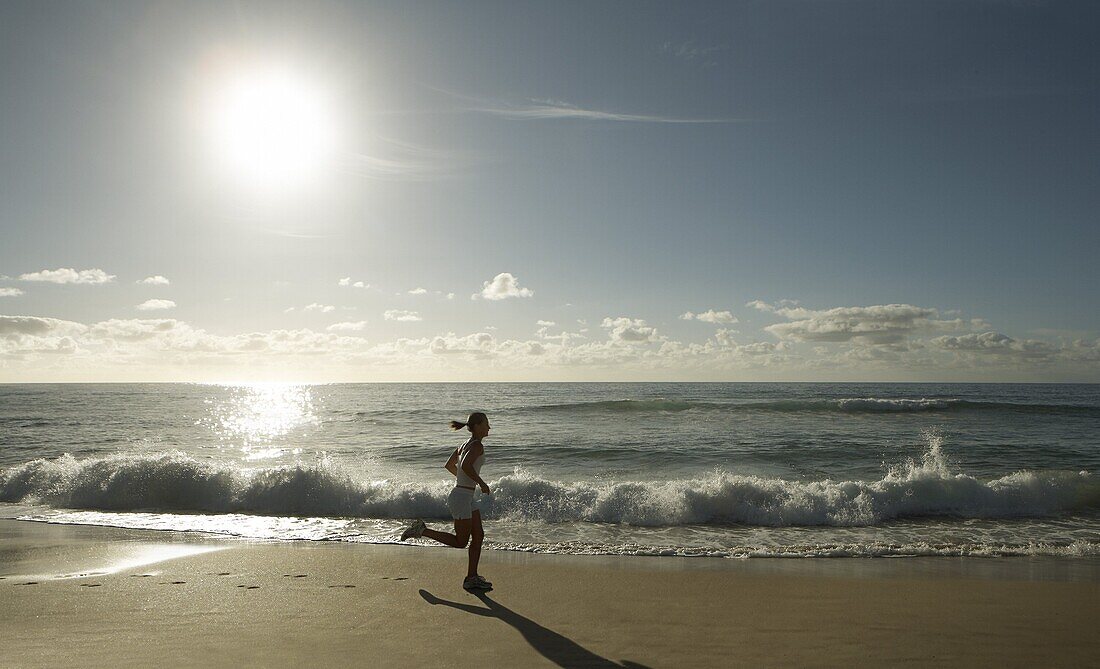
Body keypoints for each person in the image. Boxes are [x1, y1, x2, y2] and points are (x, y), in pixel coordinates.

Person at [400, 412, 493, 591]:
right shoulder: (477, 446)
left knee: (479, 535)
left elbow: (450, 465)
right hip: (461, 498)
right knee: (460, 542)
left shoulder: (464, 445)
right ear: (477, 427)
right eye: (486, 424)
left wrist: (465, 482)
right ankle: (422, 531)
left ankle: (472, 577)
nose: (489, 427)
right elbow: (465, 466)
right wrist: (481, 483)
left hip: (464, 495)